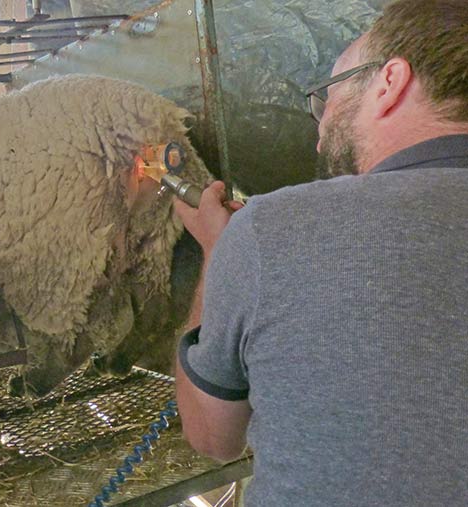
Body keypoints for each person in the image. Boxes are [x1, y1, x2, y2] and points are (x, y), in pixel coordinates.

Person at [171, 0, 468, 504]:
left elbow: (211, 437)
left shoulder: (270, 229)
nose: (320, 129)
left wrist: (218, 255)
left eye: (328, 95)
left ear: (389, 82)